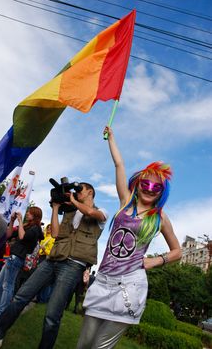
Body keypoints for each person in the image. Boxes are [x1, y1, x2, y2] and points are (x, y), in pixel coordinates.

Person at [76, 126, 182, 349]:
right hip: (103, 281)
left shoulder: (160, 218)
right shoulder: (125, 202)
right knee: (84, 344)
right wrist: (111, 138)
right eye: (146, 183)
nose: (150, 189)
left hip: (130, 287)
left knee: (101, 347)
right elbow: (119, 164)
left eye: (156, 186)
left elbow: (177, 252)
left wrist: (156, 260)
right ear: (139, 183)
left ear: (162, 192)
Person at [0, 182, 108, 349]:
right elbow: (55, 233)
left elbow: (90, 212)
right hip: (53, 259)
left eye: (79, 191)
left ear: (90, 192)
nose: (76, 194)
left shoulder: (101, 211)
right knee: (20, 296)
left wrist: (73, 201)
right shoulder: (70, 212)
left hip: (73, 265)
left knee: (52, 314)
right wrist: (56, 208)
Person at [0, 206, 43, 322]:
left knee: (7, 286)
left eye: (29, 213)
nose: (27, 214)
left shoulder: (35, 229)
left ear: (35, 215)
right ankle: (1, 311)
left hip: (17, 258)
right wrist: (11, 221)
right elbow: (9, 234)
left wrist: (20, 221)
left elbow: (22, 237)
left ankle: (0, 314)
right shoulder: (27, 226)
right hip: (12, 257)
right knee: (0, 284)